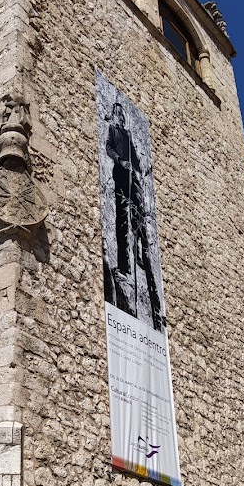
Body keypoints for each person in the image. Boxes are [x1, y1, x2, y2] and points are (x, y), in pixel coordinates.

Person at [105, 102, 163, 332]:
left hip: (133, 182)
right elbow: (109, 148)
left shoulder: (128, 135)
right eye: (117, 114)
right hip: (120, 177)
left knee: (138, 224)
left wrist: (139, 169)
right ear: (114, 116)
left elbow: (137, 161)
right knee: (121, 222)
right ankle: (124, 266)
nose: (119, 117)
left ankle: (139, 261)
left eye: (121, 114)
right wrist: (121, 161)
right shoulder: (112, 130)